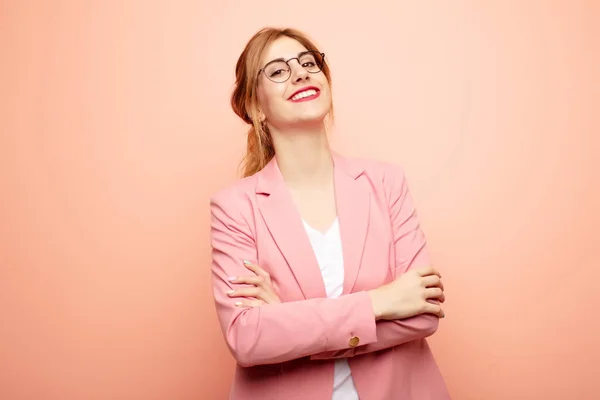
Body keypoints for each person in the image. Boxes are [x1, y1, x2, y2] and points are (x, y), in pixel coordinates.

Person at [209, 26, 451, 400]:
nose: (301, 73)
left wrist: (289, 323)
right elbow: (247, 337)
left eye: (308, 62)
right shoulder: (235, 207)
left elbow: (423, 312)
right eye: (277, 70)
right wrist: (379, 302)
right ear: (255, 107)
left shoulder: (386, 182)